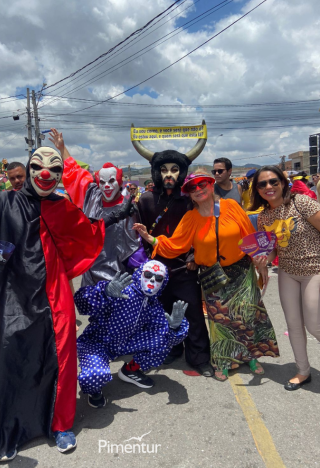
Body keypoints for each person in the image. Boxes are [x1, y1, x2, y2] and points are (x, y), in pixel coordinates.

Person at [0, 147, 105, 467]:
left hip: (55, 295)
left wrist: (114, 213)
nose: (45, 173)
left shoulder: (62, 208)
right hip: (12, 295)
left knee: (62, 359)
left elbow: (90, 227)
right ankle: (9, 429)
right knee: (10, 357)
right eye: (38, 166)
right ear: (28, 168)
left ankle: (61, 425)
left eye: (54, 168)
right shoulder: (0, 203)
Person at [134, 172, 279, 381]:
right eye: (192, 188)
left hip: (240, 270)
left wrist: (259, 260)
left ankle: (251, 356)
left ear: (211, 185)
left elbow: (248, 235)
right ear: (190, 195)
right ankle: (222, 359)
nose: (198, 189)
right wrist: (151, 239)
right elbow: (177, 244)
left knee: (246, 315)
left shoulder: (231, 206)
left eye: (202, 184)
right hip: (212, 274)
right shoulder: (191, 217)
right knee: (219, 320)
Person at [131, 125, 213, 376]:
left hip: (184, 267)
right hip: (157, 269)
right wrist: (147, 263)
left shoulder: (191, 199)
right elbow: (140, 234)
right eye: (164, 170)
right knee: (163, 312)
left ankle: (198, 357)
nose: (169, 175)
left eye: (175, 169)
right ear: (156, 172)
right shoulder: (144, 200)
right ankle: (171, 348)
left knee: (193, 313)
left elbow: (200, 231)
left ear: (181, 173)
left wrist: (192, 258)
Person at [75, 261, 189, 407]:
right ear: (140, 274)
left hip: (125, 344)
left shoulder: (153, 304)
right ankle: (94, 391)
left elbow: (166, 337)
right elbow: (81, 304)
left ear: (163, 283)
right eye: (148, 275)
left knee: (163, 338)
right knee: (95, 376)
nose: (153, 280)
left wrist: (174, 327)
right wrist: (104, 292)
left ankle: (129, 370)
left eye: (158, 278)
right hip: (97, 343)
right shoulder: (122, 290)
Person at [251, 166, 320, 391]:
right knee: (294, 324)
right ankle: (303, 371)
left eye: (273, 181)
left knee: (314, 324)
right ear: (257, 189)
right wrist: (263, 260)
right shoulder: (263, 216)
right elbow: (272, 251)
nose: (269, 187)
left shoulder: (301, 203)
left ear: (283, 182)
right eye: (262, 184)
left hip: (314, 269)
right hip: (287, 273)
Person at [49, 128, 139, 287]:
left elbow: (135, 244)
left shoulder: (129, 206)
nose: (107, 187)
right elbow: (75, 173)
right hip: (92, 274)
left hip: (121, 276)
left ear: (119, 182)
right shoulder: (92, 195)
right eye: (102, 183)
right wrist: (62, 149)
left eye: (111, 181)